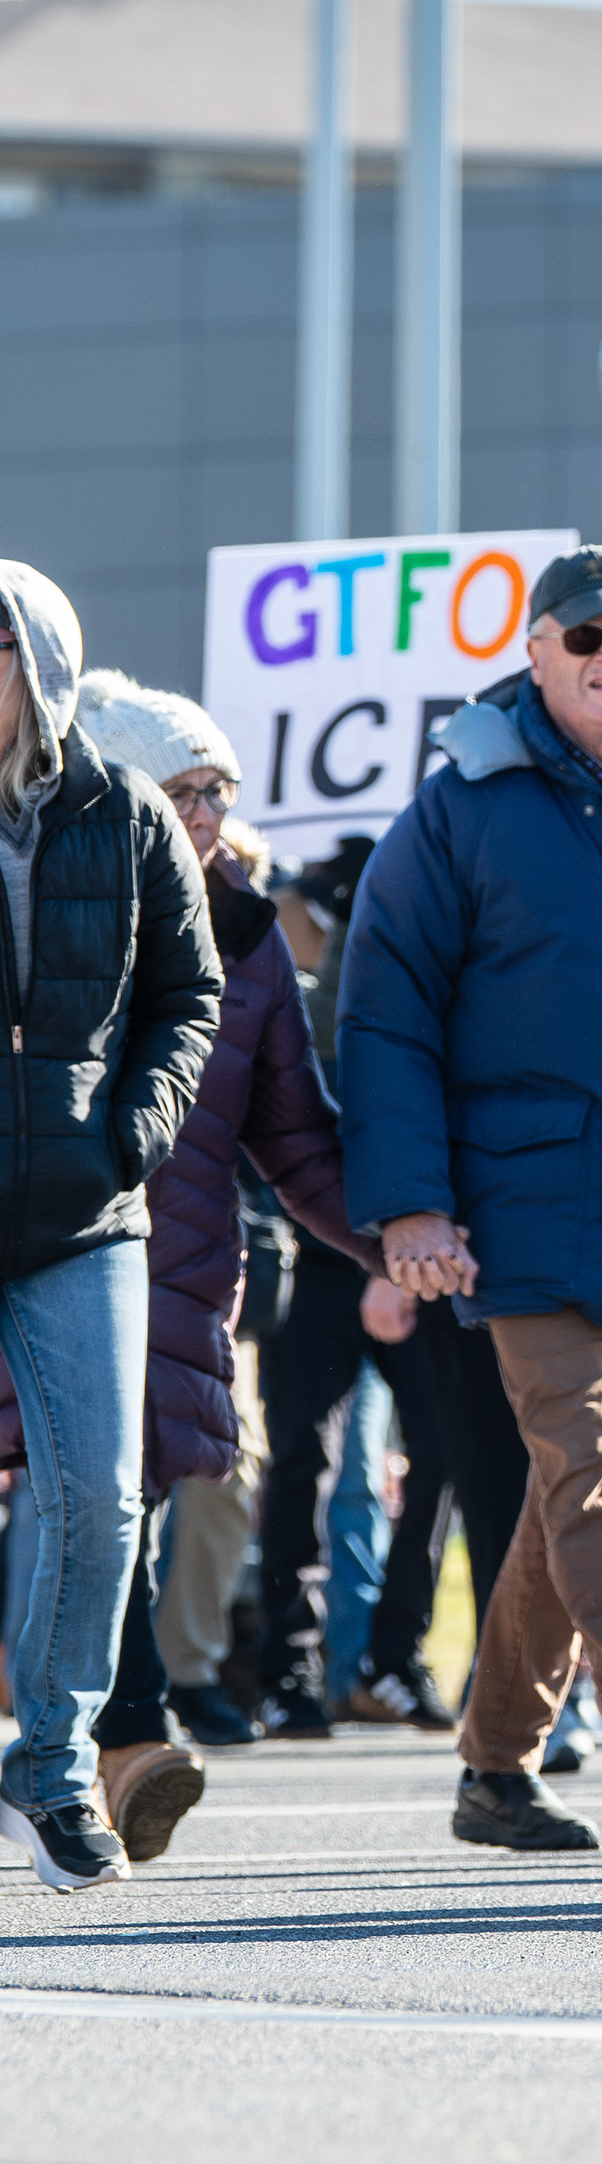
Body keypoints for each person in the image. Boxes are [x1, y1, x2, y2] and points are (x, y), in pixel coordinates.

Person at [338, 542, 602, 1860]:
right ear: (536, 652)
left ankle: (494, 1768)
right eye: (586, 639)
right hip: (521, 1210)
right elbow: (383, 1015)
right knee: (588, 1470)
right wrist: (410, 1206)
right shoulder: (465, 805)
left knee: (579, 1491)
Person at [37, 677, 399, 1863]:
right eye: (185, 788)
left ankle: (119, 1742)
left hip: (175, 1275)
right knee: (77, 1505)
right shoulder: (52, 895)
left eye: (223, 791)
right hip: (43, 1244)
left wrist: (397, 1237)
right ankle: (114, 1735)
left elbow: (294, 1135)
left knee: (116, 1507)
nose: (210, 811)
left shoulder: (243, 935)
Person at [0, 565, 224, 1892]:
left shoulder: (125, 812)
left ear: (40, 661)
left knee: (101, 1498)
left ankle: (53, 1770)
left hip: (87, 1209)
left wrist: (131, 1129)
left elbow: (188, 997)